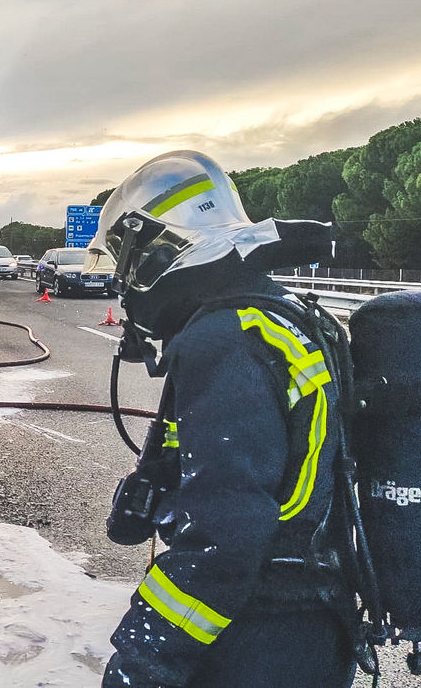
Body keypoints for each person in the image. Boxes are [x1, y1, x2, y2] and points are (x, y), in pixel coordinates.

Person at [88, 151, 357, 687]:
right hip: (311, 623)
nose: (124, 281)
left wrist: (144, 661)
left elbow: (223, 541)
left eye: (126, 258)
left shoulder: (224, 340)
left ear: (158, 249)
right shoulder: (270, 316)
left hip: (264, 634)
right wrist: (153, 484)